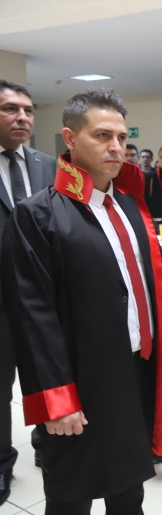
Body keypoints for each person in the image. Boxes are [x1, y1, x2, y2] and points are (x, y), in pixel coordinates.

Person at [1, 87, 162, 513]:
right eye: (102, 135)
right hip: (79, 381)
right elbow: (33, 315)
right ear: (70, 138)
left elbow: (154, 283)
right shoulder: (38, 214)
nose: (117, 147)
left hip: (137, 370)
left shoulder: (131, 205)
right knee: (72, 496)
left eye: (121, 137)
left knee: (130, 490)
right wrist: (56, 398)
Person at [0, 80, 57, 506]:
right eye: (10, 109)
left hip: (43, 297)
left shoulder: (48, 165)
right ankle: (2, 463)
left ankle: (47, 444)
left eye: (28, 110)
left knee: (47, 376)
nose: (22, 117)